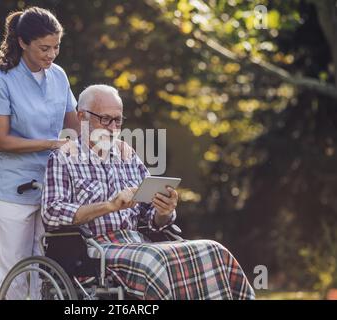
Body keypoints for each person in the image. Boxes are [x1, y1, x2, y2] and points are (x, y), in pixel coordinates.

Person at [41, 84, 255, 300]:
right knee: (155, 261)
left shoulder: (128, 155)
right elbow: (52, 213)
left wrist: (164, 210)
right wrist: (109, 206)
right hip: (94, 247)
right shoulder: (63, 158)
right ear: (82, 117)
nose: (112, 127)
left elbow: (150, 216)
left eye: (118, 120)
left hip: (138, 241)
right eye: (105, 119)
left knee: (213, 250)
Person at [0, 6, 79, 299]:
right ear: (23, 42)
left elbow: (76, 127)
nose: (51, 55)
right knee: (12, 274)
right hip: (13, 190)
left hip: (52, 190)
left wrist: (109, 141)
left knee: (44, 274)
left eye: (56, 47)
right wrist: (52, 143)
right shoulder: (0, 81)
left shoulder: (59, 76)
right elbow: (2, 141)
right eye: (44, 48)